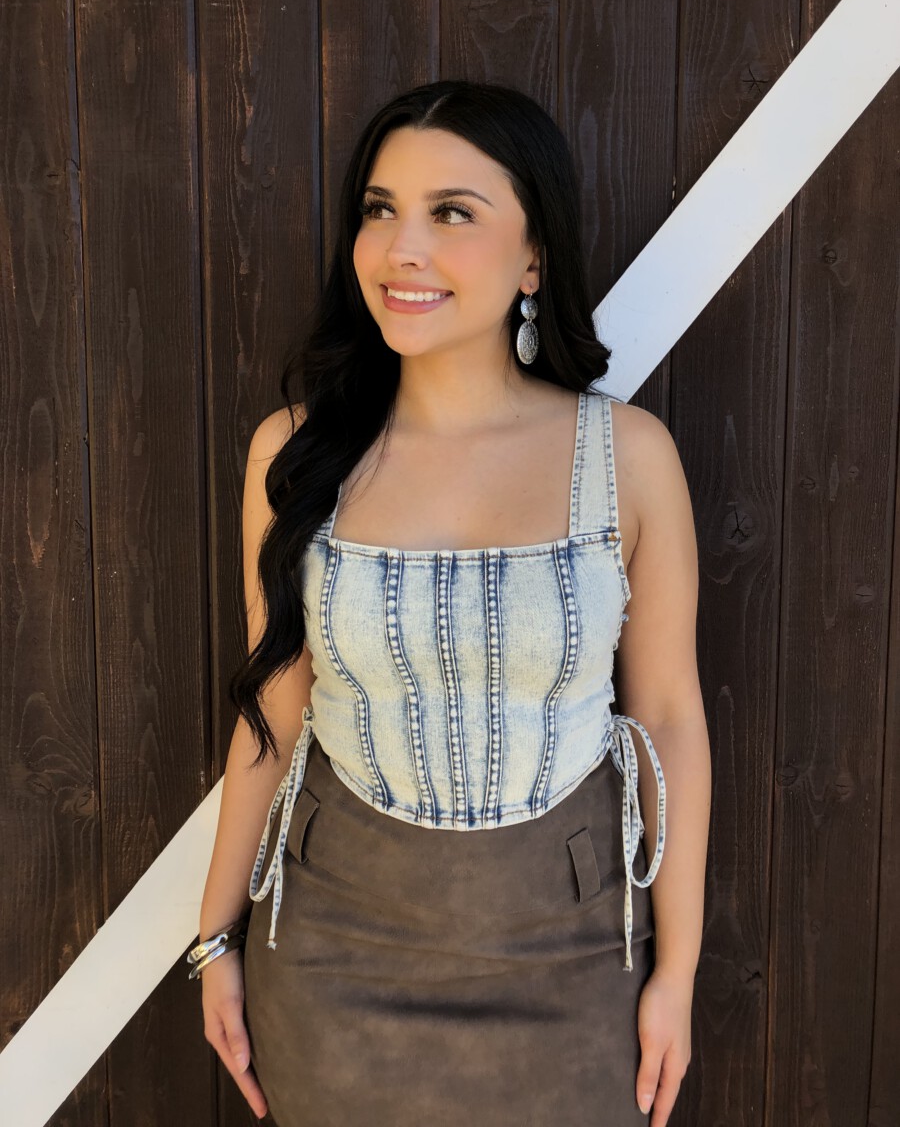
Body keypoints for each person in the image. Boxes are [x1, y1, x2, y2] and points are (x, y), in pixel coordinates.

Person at [191, 79, 711, 1126]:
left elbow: (667, 719)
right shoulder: (293, 457)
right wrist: (214, 941)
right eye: (380, 210)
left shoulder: (628, 458)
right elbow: (273, 713)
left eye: (452, 213)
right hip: (335, 959)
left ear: (535, 256)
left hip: (573, 954)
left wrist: (677, 973)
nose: (403, 249)